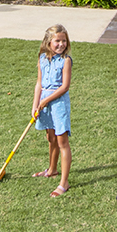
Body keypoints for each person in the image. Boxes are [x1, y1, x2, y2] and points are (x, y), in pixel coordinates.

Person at [33, 24, 72, 196]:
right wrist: (35, 104)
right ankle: (52, 170)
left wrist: (46, 100)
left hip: (58, 105)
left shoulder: (66, 61)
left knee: (62, 141)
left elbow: (64, 87)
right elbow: (39, 83)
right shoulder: (42, 58)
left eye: (64, 41)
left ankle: (64, 183)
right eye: (57, 41)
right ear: (49, 42)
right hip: (43, 104)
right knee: (50, 138)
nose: (61, 44)